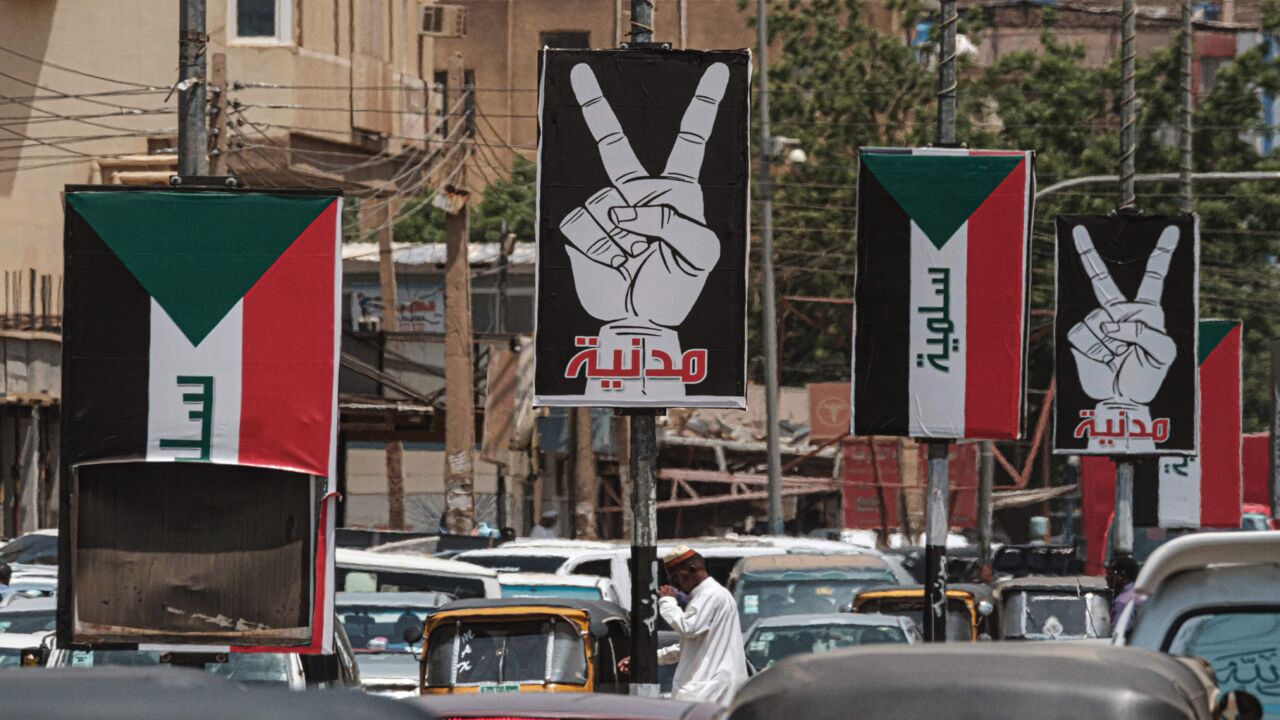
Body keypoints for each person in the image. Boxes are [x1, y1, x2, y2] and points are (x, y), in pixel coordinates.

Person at [621, 546, 747, 705]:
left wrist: (667, 601)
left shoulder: (710, 595)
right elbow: (688, 648)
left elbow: (688, 628)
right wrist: (644, 659)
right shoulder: (710, 595)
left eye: (676, 577)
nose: (675, 585)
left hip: (708, 689)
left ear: (692, 569)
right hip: (711, 687)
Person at [1107, 554, 1139, 632]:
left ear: (1121, 575)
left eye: (1110, 574)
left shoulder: (1122, 602)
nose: (1107, 578)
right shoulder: (1145, 594)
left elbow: (1118, 635)